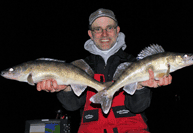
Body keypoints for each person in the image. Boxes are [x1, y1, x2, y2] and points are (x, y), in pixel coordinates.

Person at [37, 8, 172, 133]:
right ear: (90, 34)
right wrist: (65, 89)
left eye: (109, 28)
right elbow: (71, 106)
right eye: (98, 29)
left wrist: (141, 87)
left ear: (117, 30)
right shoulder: (81, 66)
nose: (104, 34)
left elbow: (137, 108)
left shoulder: (134, 63)